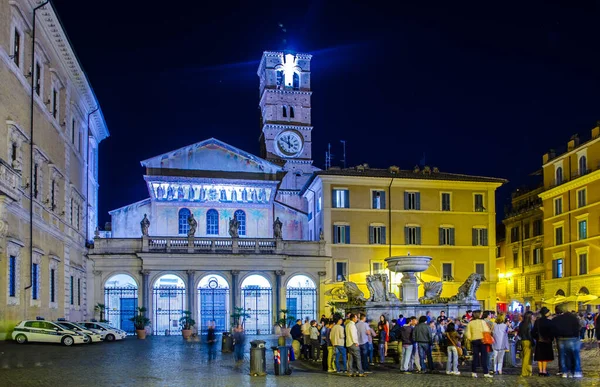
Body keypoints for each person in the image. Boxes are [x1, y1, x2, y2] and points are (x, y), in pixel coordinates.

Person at [552, 306, 583, 378]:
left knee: (563, 356)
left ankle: (564, 372)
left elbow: (553, 329)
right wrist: (577, 336)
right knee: (575, 355)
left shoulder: (556, 319)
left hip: (560, 338)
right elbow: (577, 328)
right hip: (572, 338)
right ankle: (577, 371)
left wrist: (556, 336)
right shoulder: (573, 317)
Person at [466, 310, 493, 378]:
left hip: (474, 340)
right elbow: (486, 330)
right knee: (484, 357)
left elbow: (467, 334)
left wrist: (471, 339)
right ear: (479, 315)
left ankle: (474, 372)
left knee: (475, 357)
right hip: (482, 340)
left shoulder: (470, 323)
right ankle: (485, 372)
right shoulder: (482, 322)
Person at [533, 307, 554, 376]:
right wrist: (551, 338)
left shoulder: (537, 321)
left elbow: (533, 332)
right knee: (545, 357)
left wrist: (536, 338)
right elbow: (551, 332)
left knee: (539, 357)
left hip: (539, 340)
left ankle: (540, 370)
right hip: (547, 341)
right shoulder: (549, 322)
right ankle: (544, 371)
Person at [519, 311, 534, 377]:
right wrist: (532, 341)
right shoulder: (529, 324)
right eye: (532, 316)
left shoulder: (521, 323)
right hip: (528, 341)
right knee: (527, 358)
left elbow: (520, 333)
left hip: (523, 340)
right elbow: (529, 334)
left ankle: (528, 371)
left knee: (526, 356)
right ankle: (524, 372)